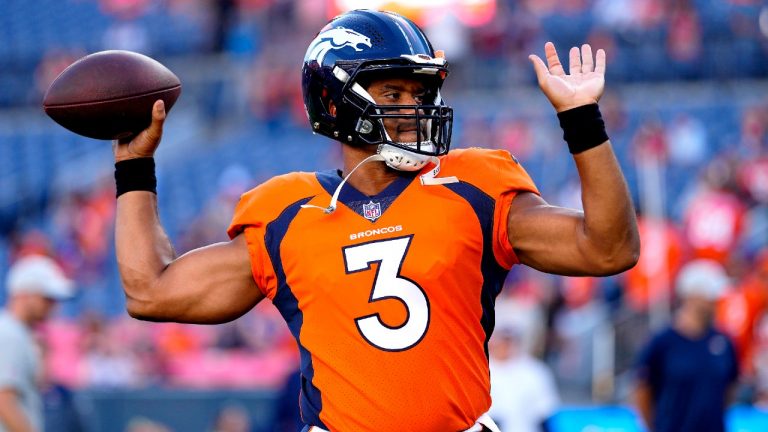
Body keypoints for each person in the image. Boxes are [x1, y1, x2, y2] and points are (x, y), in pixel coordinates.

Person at [112, 9, 639, 431]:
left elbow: (610, 249)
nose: (415, 107)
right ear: (336, 103)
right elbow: (150, 292)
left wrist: (582, 121)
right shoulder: (287, 212)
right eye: (393, 94)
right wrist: (134, 166)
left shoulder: (474, 186)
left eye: (420, 93)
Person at [633, 259, 739, 432]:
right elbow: (643, 389)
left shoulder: (725, 342)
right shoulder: (663, 342)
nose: (717, 300)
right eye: (711, 295)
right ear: (693, 296)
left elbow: (730, 389)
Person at [0, 255, 73, 432]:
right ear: (24, 295)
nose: (53, 306)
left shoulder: (20, 333)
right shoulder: (9, 333)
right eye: (46, 298)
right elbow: (4, 399)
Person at [488, 319, 559, 432]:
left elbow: (545, 414)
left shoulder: (535, 371)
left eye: (509, 340)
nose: (505, 345)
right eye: (501, 339)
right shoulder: (480, 370)